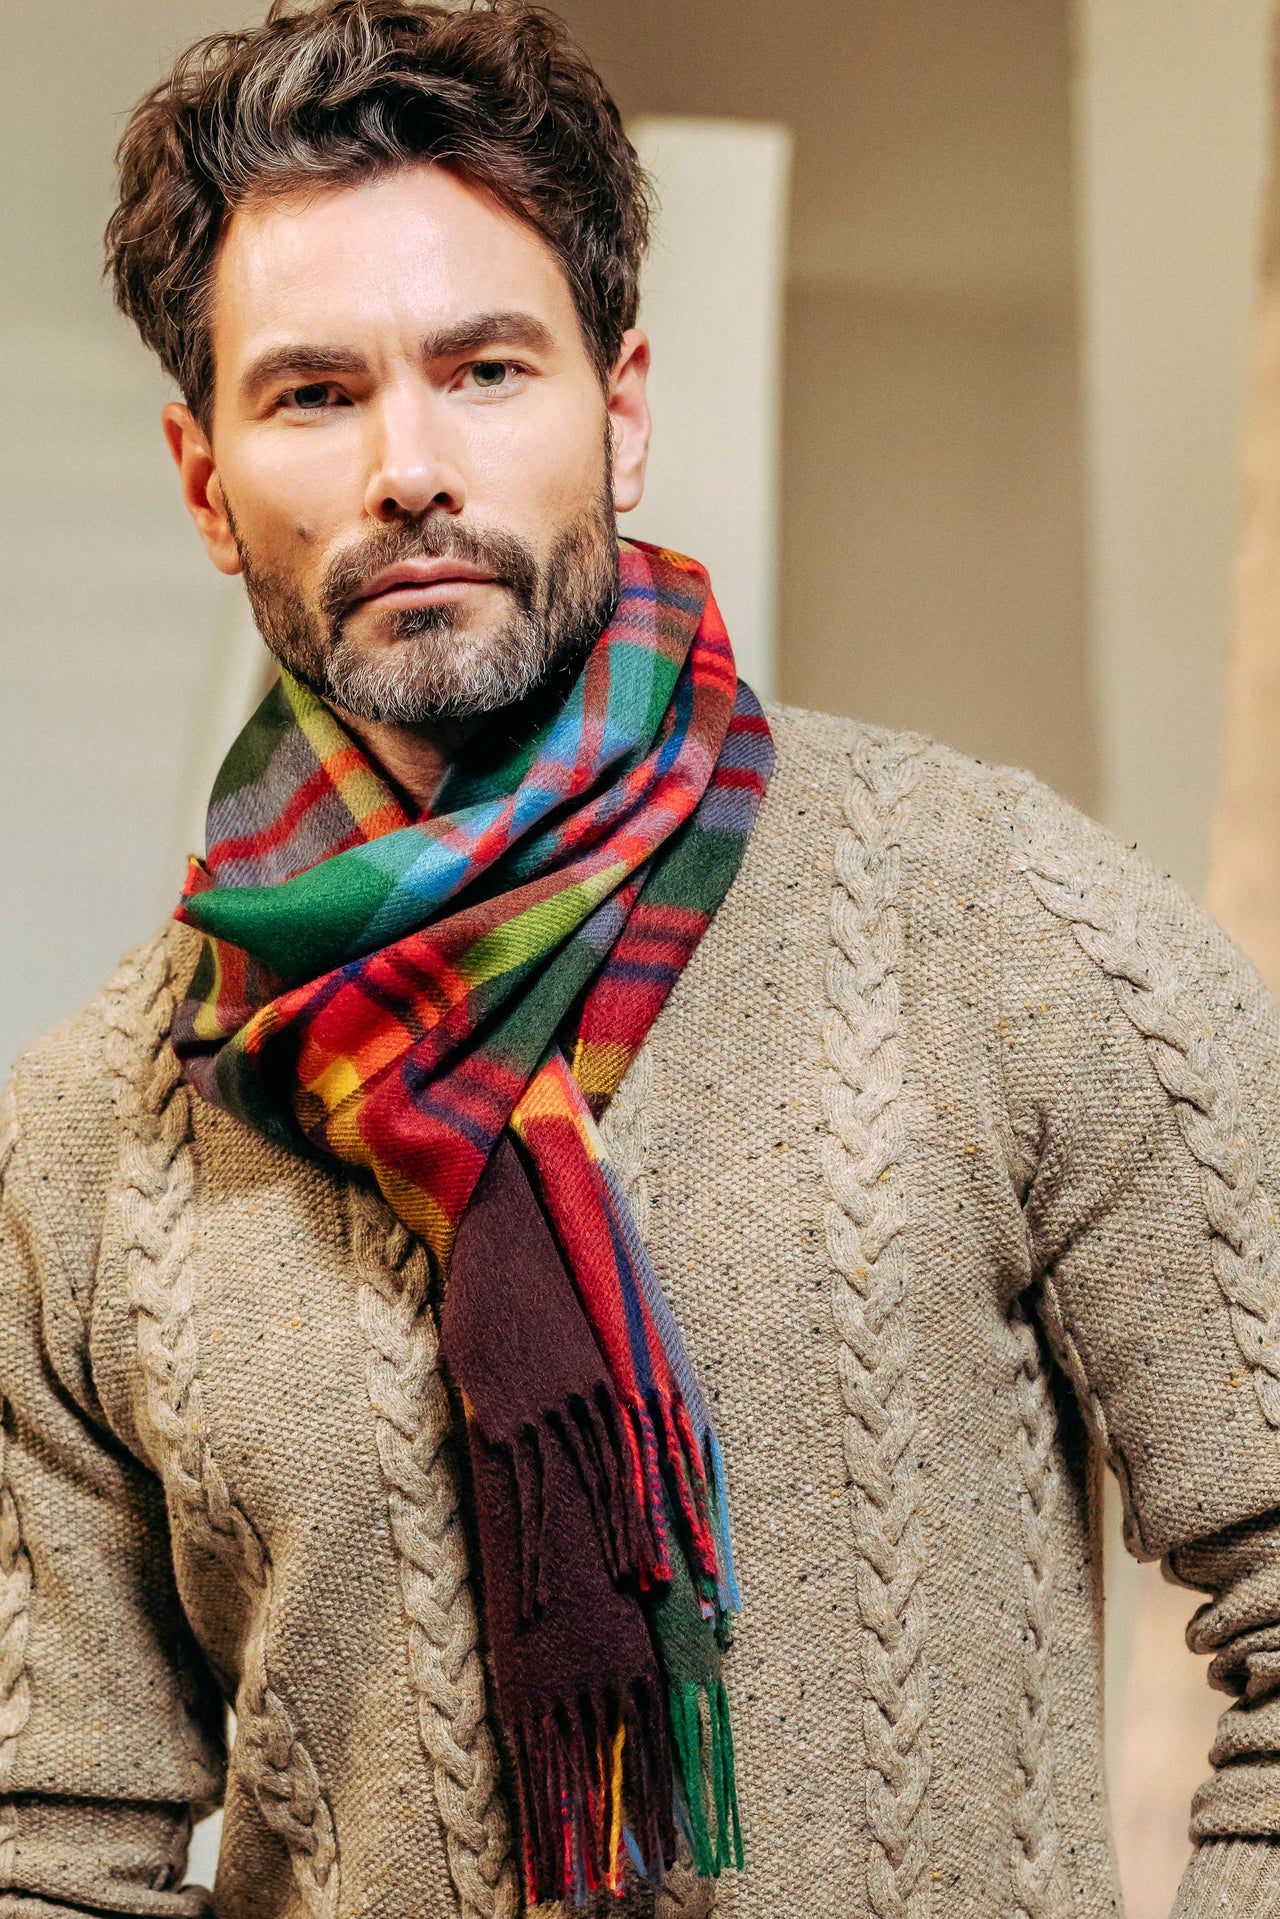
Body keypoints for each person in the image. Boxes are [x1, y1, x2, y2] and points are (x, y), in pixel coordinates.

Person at [4, 2, 1280, 1914]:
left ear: (622, 407)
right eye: (316, 394)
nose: (410, 466)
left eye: (486, 368)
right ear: (205, 481)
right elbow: (50, 1842)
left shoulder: (999, 913)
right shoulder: (94, 1142)